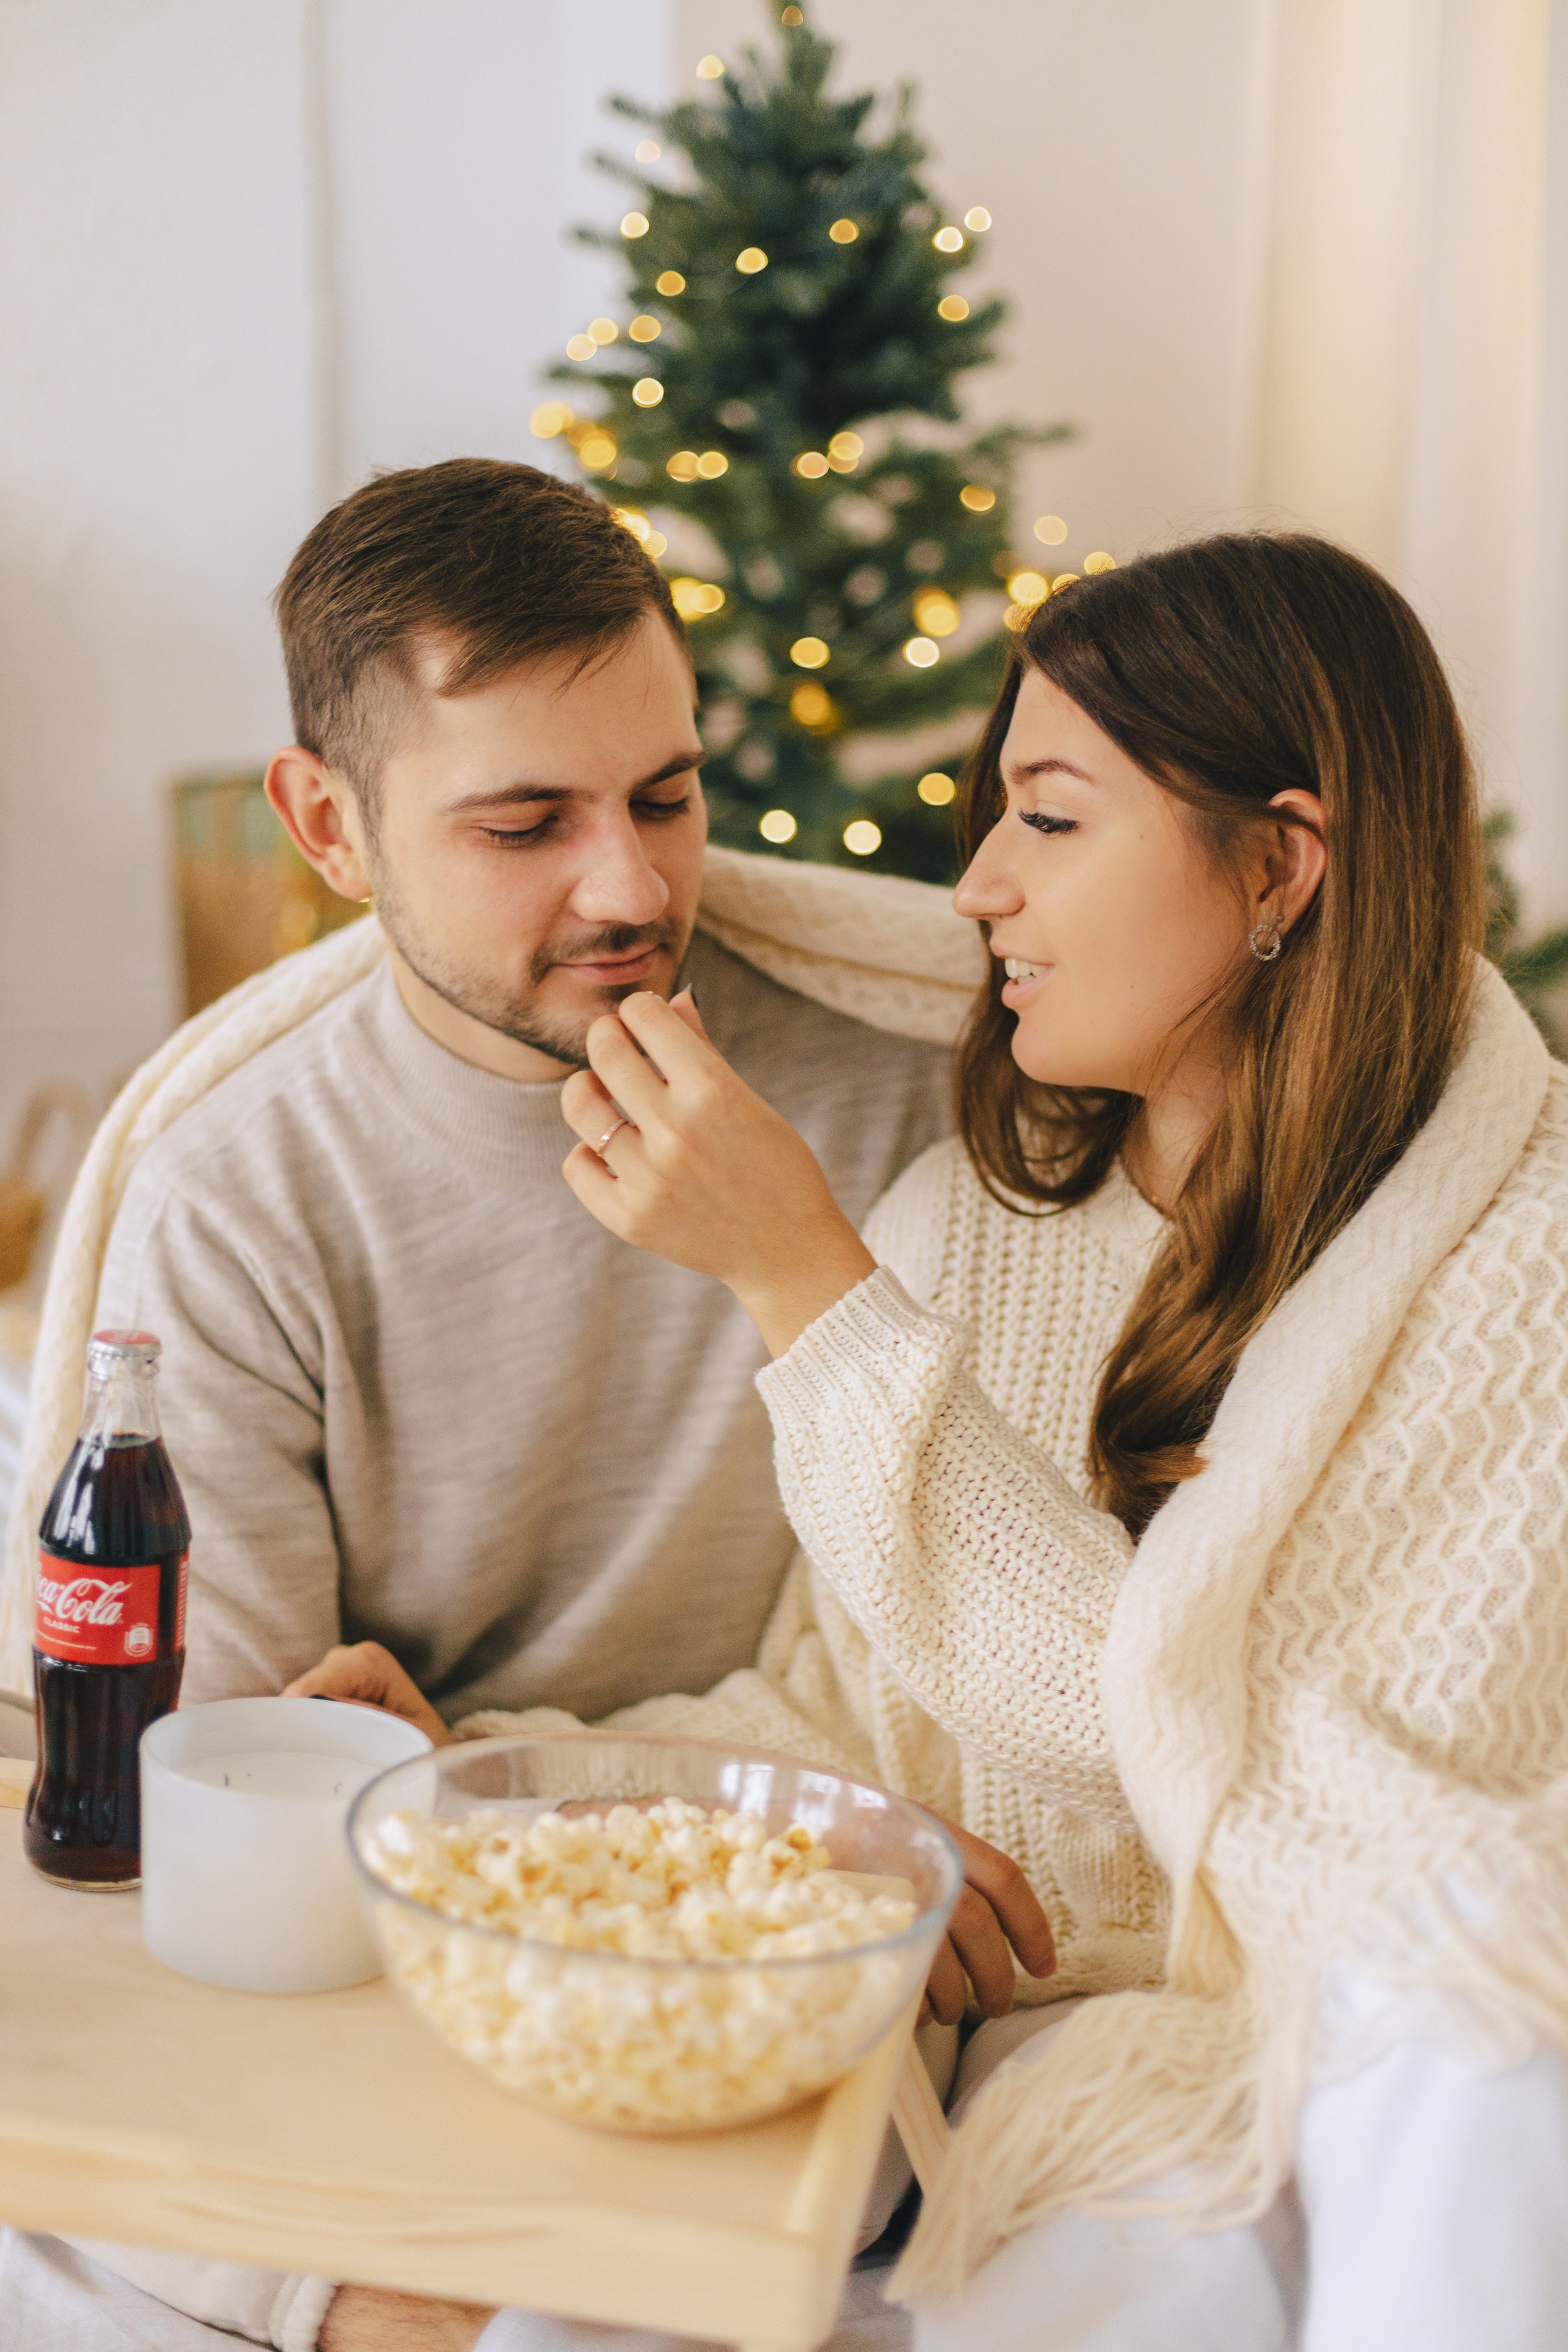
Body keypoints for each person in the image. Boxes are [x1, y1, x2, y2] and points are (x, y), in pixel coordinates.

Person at [0, 458, 1052, 2352]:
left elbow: (1016, 1625)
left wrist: (791, 1256)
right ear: (330, 825)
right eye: (524, 823)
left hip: (806, 1917)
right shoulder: (234, 1195)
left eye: (667, 795)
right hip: (502, 1911)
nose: (632, 887)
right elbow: (249, 1830)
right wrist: (632, 1819)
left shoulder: (912, 1075)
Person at [543, 532, 1568, 2350]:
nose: (978, 888)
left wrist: (806, 1290)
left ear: (1279, 865)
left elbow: (1244, 1757)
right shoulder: (966, 1228)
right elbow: (847, 1717)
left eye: (1051, 817)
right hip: (1056, 2080)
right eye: (991, 814)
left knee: (1469, 2038)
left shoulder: (1521, 1266)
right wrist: (488, 1769)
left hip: (1397, 2062)